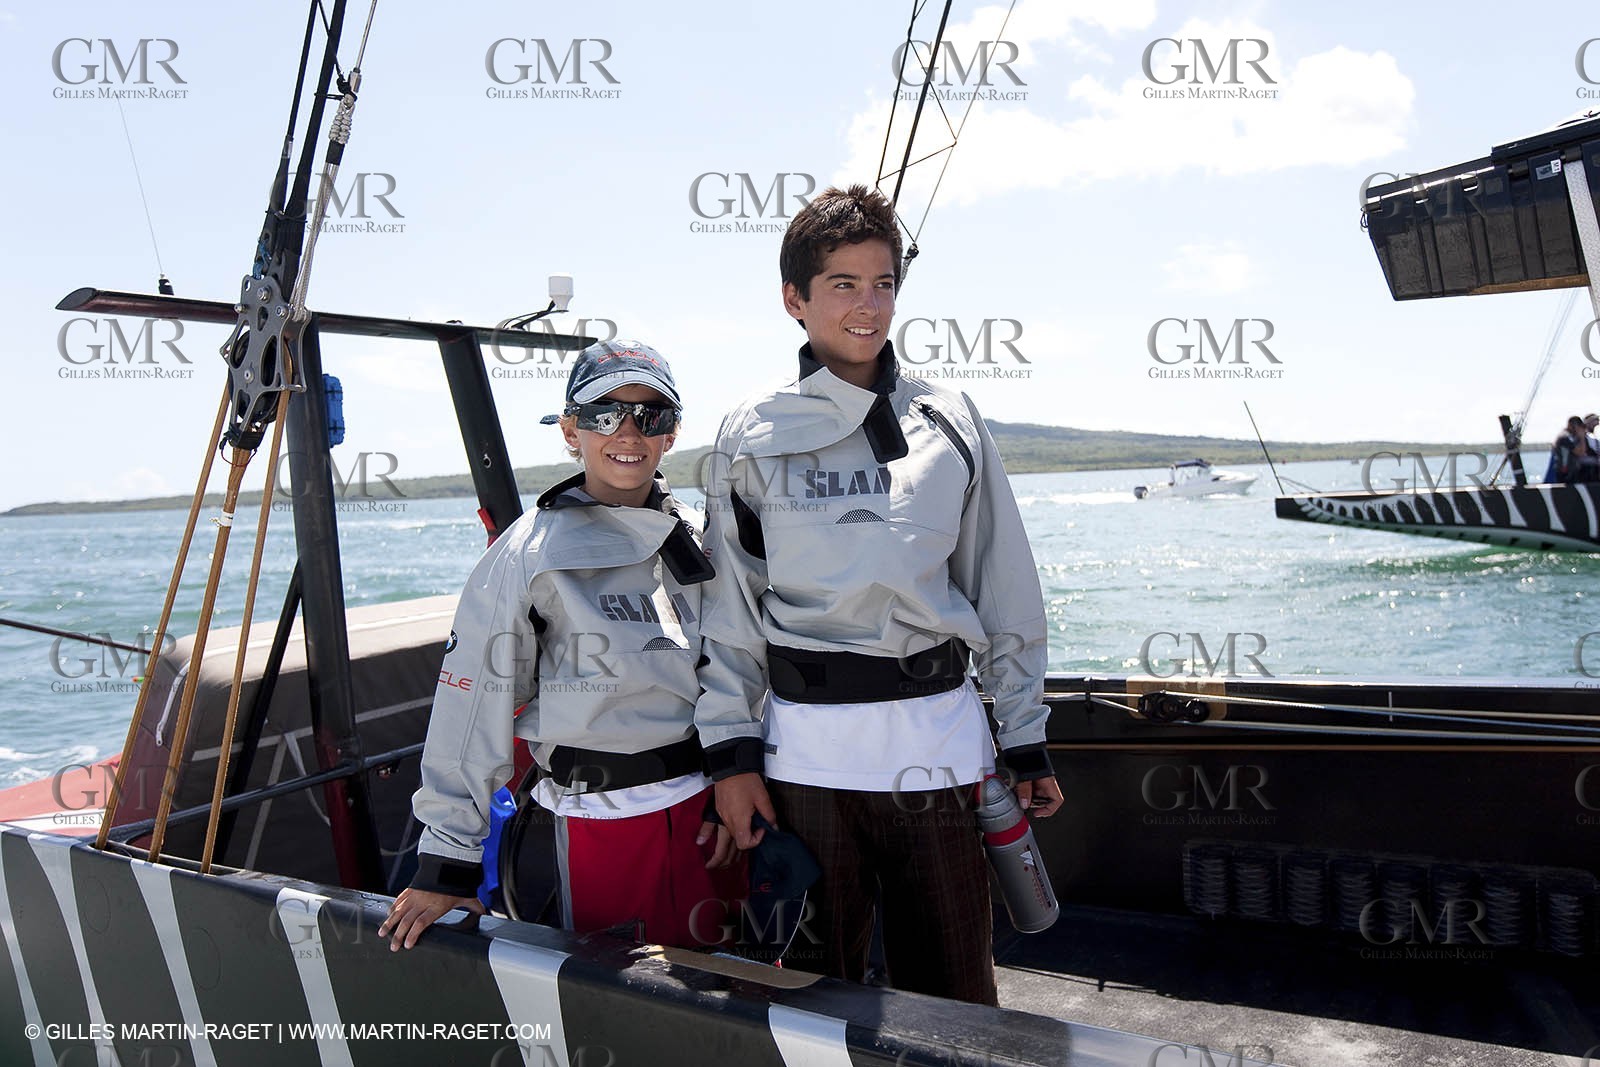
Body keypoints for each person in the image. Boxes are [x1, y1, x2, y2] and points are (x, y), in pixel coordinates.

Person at [693, 184, 1062, 1005]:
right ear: (794, 299)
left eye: (883, 283)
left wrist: (1025, 733)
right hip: (805, 763)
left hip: (943, 750)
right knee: (812, 1003)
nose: (868, 305)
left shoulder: (949, 416)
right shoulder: (748, 433)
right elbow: (729, 611)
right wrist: (731, 758)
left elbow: (1003, 583)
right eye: (843, 284)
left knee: (957, 999)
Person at [381, 340, 743, 952]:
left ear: (672, 433)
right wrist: (447, 865)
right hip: (601, 824)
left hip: (712, 821)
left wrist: (736, 777)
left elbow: (737, 668)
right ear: (572, 431)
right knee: (622, 1000)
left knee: (733, 986)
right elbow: (473, 705)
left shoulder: (701, 538)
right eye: (605, 414)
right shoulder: (527, 554)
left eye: (649, 415)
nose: (627, 432)